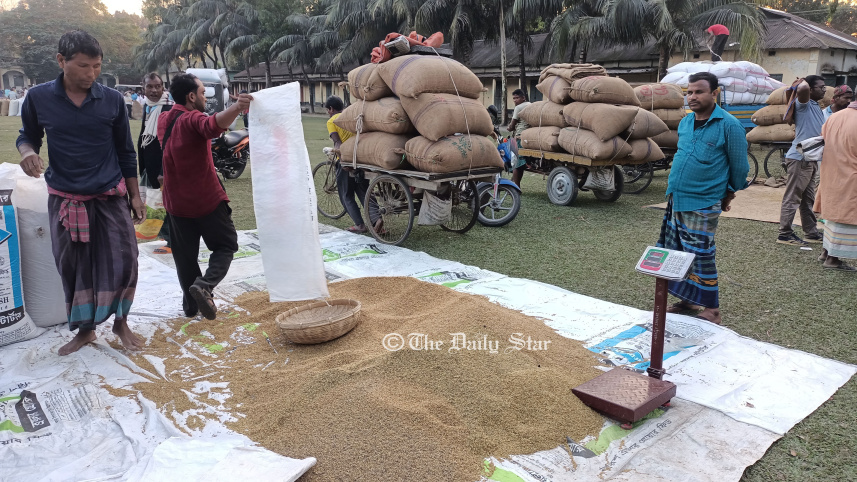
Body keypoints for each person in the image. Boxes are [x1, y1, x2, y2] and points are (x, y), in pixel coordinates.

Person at [16, 30, 145, 355]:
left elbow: (126, 152)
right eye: (84, 66)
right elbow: (27, 135)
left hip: (109, 194)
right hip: (65, 196)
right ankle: (85, 331)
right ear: (62, 61)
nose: (91, 74)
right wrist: (27, 153)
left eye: (97, 66)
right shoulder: (38, 97)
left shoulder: (112, 100)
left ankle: (120, 322)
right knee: (73, 266)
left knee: (125, 260)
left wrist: (135, 195)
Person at [158, 74, 252, 320]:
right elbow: (212, 125)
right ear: (191, 96)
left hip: (175, 202)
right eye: (202, 93)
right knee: (226, 245)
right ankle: (205, 286)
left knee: (184, 257)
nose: (204, 98)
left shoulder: (163, 120)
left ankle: (190, 307)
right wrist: (238, 107)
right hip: (205, 199)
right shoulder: (192, 119)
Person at [658, 72, 748, 325]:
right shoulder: (686, 123)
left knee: (700, 253)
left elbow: (739, 168)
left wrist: (729, 192)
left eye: (699, 91)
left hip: (704, 201)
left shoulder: (729, 125)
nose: (692, 97)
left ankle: (712, 309)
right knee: (677, 251)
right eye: (689, 92)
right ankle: (687, 299)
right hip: (677, 197)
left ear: (714, 93)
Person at [777, 75, 826, 247]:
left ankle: (811, 232)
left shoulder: (816, 106)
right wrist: (802, 81)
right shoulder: (803, 104)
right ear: (811, 89)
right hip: (800, 158)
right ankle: (784, 234)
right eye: (820, 87)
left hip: (810, 159)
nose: (824, 90)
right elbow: (803, 89)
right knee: (793, 197)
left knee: (807, 199)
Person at [814, 98, 857, 271]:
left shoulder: (835, 117)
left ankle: (826, 252)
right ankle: (832, 259)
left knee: (832, 216)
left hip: (831, 174)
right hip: (851, 177)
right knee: (844, 218)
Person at [138, 72, 174, 254]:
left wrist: (163, 170)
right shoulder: (149, 107)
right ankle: (166, 235)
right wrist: (142, 166)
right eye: (150, 87)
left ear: (163, 87)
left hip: (163, 167)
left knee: (166, 203)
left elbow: (171, 143)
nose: (154, 90)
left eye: (157, 86)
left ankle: (172, 242)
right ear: (143, 88)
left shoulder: (168, 110)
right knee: (156, 202)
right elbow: (144, 138)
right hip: (150, 165)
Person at [326, 95, 369, 234]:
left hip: (347, 160)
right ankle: (377, 222)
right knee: (364, 192)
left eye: (328, 110)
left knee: (346, 195)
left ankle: (359, 225)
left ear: (331, 109)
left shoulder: (332, 121)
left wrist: (343, 158)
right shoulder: (351, 117)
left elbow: (337, 142)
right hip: (362, 158)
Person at [507, 89, 531, 187]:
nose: (515, 100)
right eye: (514, 98)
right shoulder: (531, 105)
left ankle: (516, 187)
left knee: (516, 164)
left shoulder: (518, 107)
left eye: (517, 98)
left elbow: (512, 125)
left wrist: (509, 128)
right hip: (529, 136)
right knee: (520, 164)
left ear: (523, 98)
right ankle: (515, 182)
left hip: (519, 137)